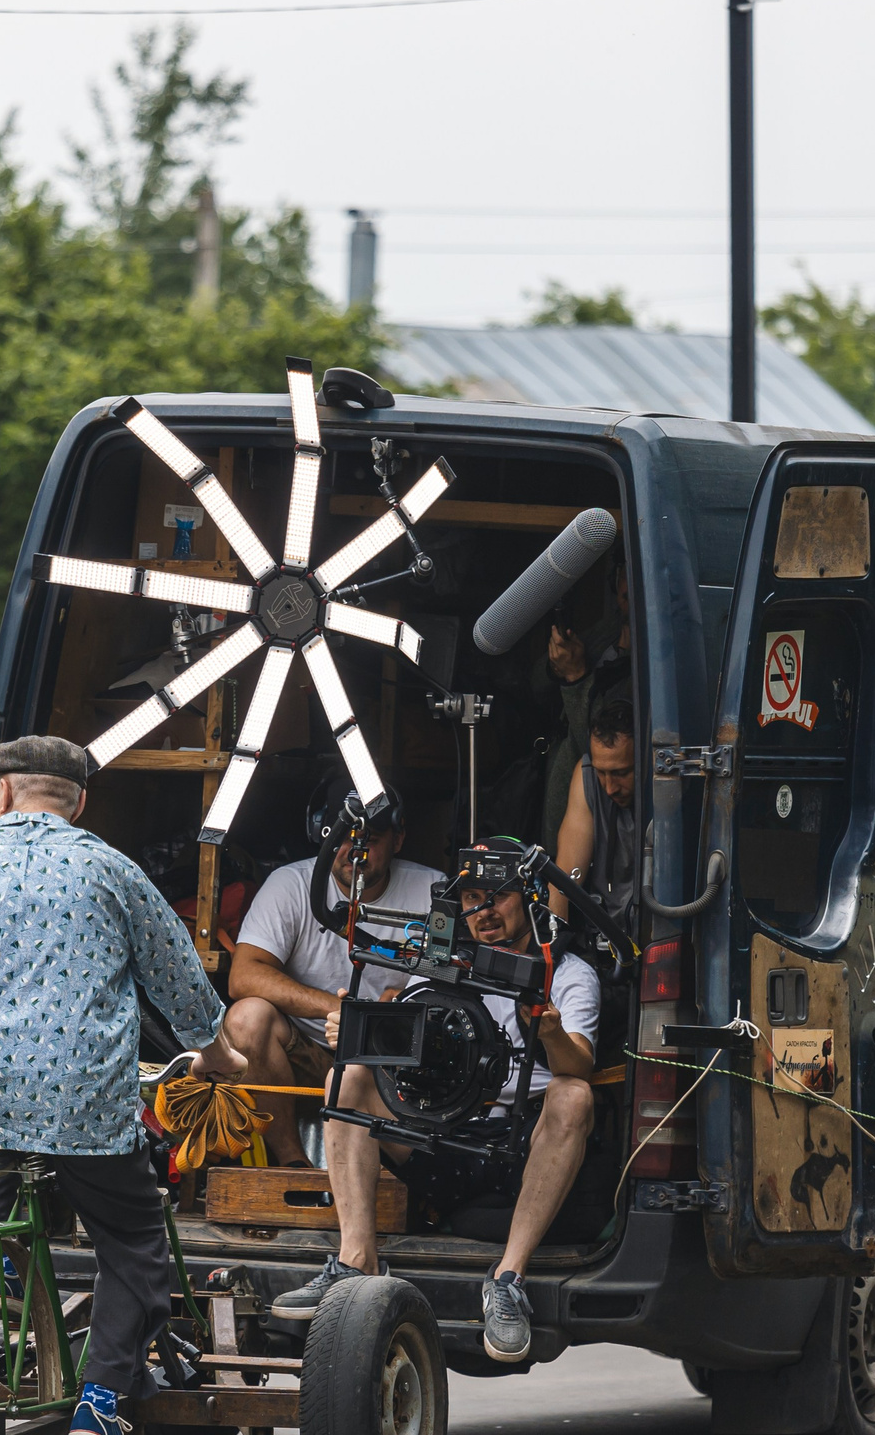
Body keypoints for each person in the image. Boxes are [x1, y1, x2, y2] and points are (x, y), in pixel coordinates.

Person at [0, 736, 252, 1435]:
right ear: (81, 802)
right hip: (76, 1090)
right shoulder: (109, 868)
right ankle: (101, 1402)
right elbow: (179, 982)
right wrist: (219, 1055)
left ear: (1, 793)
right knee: (135, 1244)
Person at [275, 848, 601, 1362]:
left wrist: (551, 1028)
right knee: (348, 1076)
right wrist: (354, 1032)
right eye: (473, 900)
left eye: (500, 898)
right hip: (443, 1137)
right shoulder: (443, 966)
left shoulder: (566, 973)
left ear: (529, 901)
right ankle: (356, 1261)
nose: (486, 911)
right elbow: (398, 1034)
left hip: (519, 1150)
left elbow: (577, 1066)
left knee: (573, 1095)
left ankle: (508, 1281)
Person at [221, 785, 441, 1166]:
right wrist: (344, 1011)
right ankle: (293, 1165)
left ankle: (409, 1178)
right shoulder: (291, 884)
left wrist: (396, 1010)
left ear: (399, 839)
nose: (353, 852)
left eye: (369, 840)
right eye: (339, 839)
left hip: (388, 1059)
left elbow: (453, 988)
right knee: (245, 1018)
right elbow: (243, 976)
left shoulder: (434, 891)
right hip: (305, 1052)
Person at [539, 572, 633, 849]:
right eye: (622, 579)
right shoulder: (607, 633)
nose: (627, 592)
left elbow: (602, 747)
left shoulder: (655, 653)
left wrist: (578, 678)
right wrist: (558, 665)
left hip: (604, 811)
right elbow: (534, 683)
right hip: (563, 772)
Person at [552, 694, 641, 931]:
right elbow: (566, 877)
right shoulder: (586, 775)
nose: (610, 787)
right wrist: (556, 950)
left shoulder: (666, 783)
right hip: (605, 933)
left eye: (621, 773)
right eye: (602, 773)